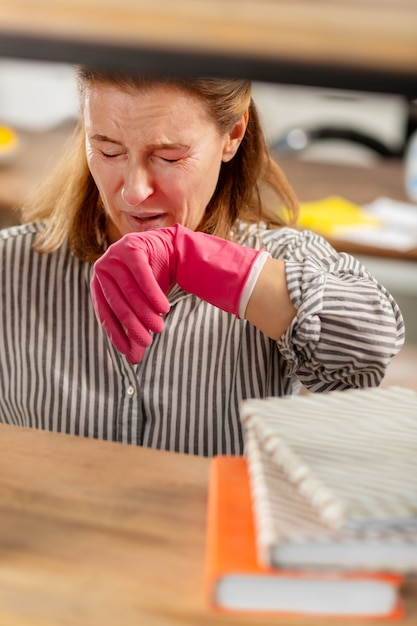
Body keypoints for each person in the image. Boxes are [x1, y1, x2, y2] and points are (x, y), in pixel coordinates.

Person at [0, 67, 405, 456]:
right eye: (109, 150)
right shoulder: (11, 267)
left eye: (170, 157)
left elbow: (368, 352)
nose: (134, 191)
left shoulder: (283, 260)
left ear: (232, 135)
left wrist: (201, 261)